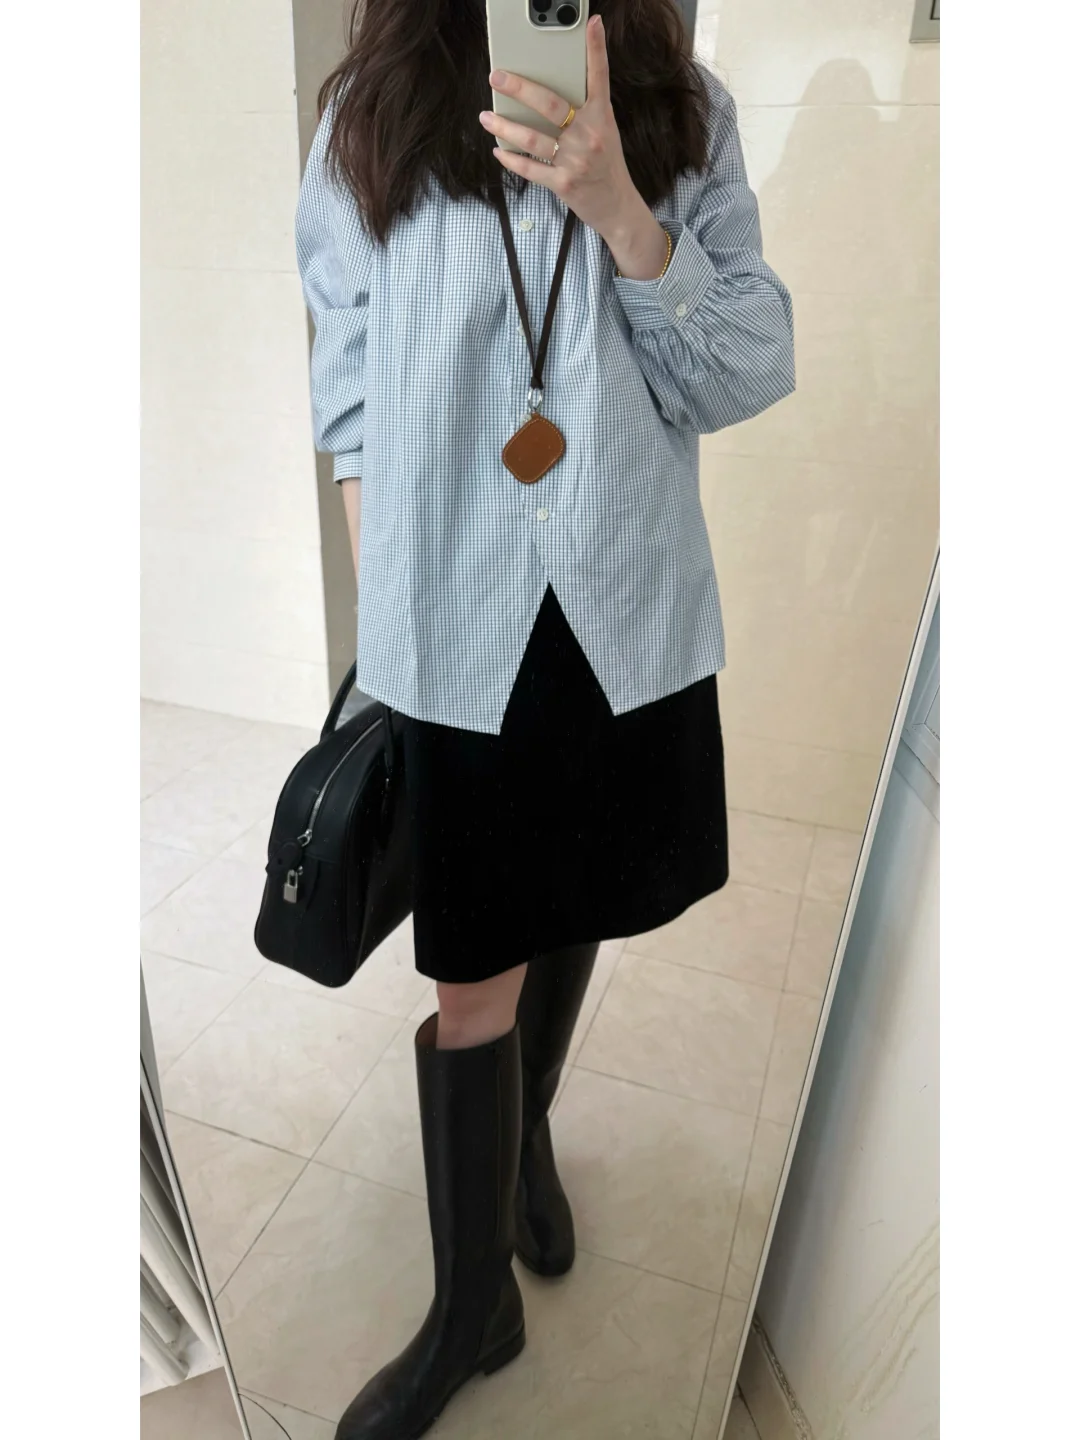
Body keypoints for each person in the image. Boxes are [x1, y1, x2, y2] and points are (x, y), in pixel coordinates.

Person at [295, 0, 794, 1433]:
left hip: (620, 598)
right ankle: (472, 1311)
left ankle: (523, 1142)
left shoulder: (682, 106)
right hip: (456, 611)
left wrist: (622, 208)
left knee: (581, 891)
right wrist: (385, 595)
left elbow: (749, 364)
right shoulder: (370, 115)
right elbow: (350, 372)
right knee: (471, 971)